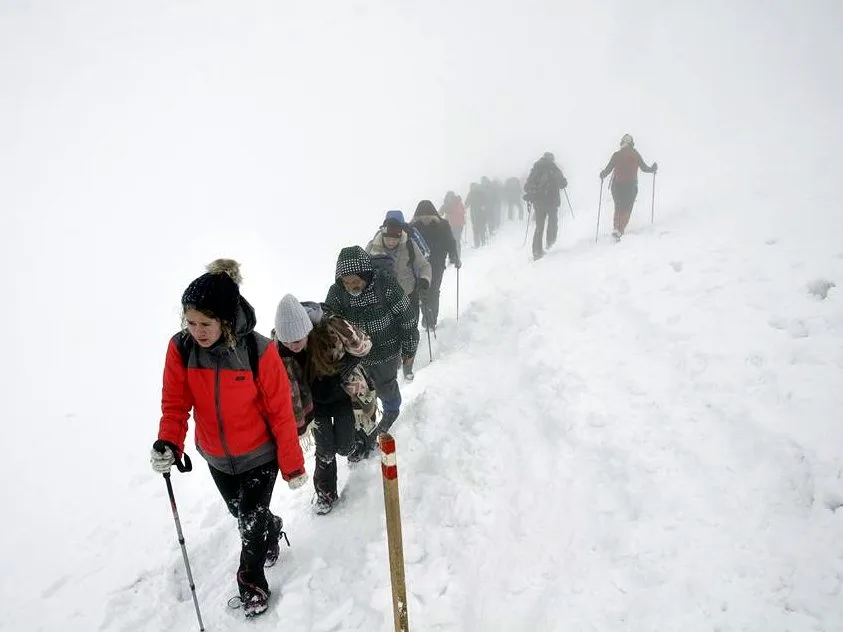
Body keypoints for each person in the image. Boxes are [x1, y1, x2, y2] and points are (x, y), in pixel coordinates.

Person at [150, 259, 307, 619]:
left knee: (249, 521)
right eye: (191, 322)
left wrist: (293, 465)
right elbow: (175, 404)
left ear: (225, 319)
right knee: (243, 514)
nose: (197, 331)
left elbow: (280, 412)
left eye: (205, 324)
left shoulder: (258, 351)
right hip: (217, 457)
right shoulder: (182, 349)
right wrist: (169, 443)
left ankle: (252, 586)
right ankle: (271, 527)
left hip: (259, 455)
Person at [273, 294, 377, 515]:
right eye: (287, 342)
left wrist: (348, 363)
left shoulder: (330, 331)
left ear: (307, 331)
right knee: (325, 451)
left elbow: (365, 344)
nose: (292, 346)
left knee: (344, 446)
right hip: (314, 406)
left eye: (297, 341)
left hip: (342, 399)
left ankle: (359, 443)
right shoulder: (279, 350)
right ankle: (325, 494)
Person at [324, 246, 419, 443]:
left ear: (365, 275)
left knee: (385, 386)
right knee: (361, 396)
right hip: (356, 358)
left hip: (386, 350)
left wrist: (409, 348)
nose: (351, 286)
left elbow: (407, 317)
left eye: (355, 281)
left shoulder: (385, 285)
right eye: (346, 282)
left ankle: (391, 410)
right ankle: (366, 432)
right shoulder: (337, 293)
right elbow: (329, 321)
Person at [365, 214, 431, 380]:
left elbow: (424, 265)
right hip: (384, 299)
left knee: (410, 331)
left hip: (408, 295)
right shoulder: (372, 247)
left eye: (395, 238)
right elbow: (363, 270)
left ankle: (408, 367)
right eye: (388, 238)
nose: (391, 242)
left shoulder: (409, 244)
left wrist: (424, 280)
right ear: (383, 234)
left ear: (400, 236)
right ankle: (393, 365)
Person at [410, 200, 461, 329]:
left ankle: (431, 320)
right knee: (424, 292)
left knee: (433, 291)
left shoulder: (442, 225)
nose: (425, 218)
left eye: (427, 215)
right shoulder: (413, 227)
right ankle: (428, 318)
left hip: (436, 264)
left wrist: (454, 256)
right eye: (422, 215)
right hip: (421, 265)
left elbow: (450, 242)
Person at [600, 133, 658, 240]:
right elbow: (644, 168)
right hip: (631, 186)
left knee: (618, 206)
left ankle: (616, 228)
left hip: (617, 185)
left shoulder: (616, 155)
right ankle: (620, 229)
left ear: (622, 143)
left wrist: (603, 174)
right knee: (627, 208)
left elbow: (608, 169)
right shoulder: (634, 154)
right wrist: (653, 169)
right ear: (631, 144)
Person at [524, 152, 568, 260]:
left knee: (539, 226)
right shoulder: (553, 168)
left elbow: (527, 185)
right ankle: (550, 244)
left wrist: (532, 193)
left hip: (538, 201)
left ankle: (536, 251)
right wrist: (564, 181)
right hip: (551, 201)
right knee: (552, 222)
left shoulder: (536, 168)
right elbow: (562, 184)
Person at [440, 191, 466, 258]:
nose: (450, 198)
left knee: (455, 240)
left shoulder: (453, 203)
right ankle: (455, 256)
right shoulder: (454, 203)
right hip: (456, 224)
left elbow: (440, 212)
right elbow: (463, 211)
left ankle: (455, 257)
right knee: (454, 240)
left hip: (455, 224)